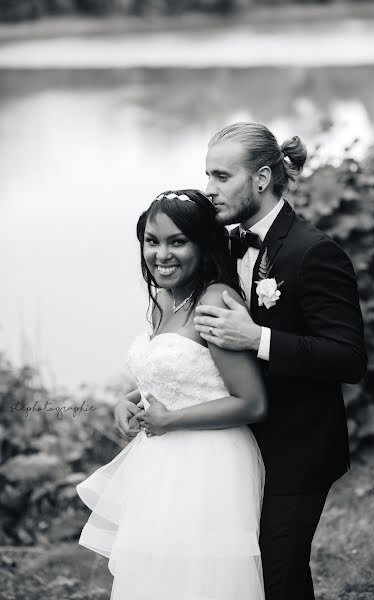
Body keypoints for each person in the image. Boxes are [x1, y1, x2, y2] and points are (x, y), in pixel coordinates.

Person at [115, 123, 367, 600]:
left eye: (222, 176)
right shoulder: (225, 246)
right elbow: (198, 348)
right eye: (207, 175)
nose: (210, 190)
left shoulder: (314, 252)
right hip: (231, 449)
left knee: (276, 574)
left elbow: (349, 358)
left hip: (297, 449)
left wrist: (260, 337)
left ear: (262, 178)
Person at [77, 189, 268, 600]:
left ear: (203, 245)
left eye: (177, 241)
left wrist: (168, 420)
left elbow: (251, 402)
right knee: (155, 576)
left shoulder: (215, 301)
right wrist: (129, 398)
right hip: (160, 462)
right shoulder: (165, 298)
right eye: (152, 240)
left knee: (199, 579)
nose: (161, 254)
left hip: (210, 463)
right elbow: (184, 369)